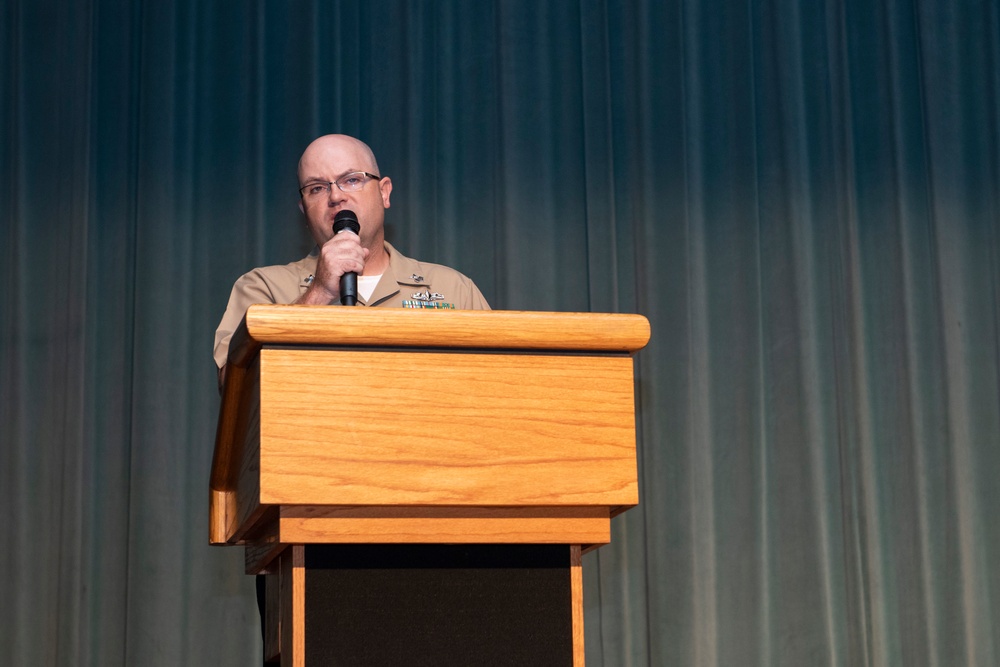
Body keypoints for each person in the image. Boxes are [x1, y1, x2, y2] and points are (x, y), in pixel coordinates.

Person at [213, 134, 491, 386]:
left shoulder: (454, 288)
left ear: (384, 192)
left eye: (352, 180)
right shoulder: (263, 288)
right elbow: (235, 387)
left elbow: (501, 384)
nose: (336, 196)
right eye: (317, 188)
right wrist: (319, 293)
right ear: (303, 209)